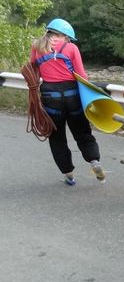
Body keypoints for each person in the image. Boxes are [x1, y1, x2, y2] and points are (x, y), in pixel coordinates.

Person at [30, 18, 105, 185]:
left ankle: (69, 175)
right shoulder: (71, 48)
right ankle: (94, 161)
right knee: (82, 132)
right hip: (73, 96)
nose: (69, 40)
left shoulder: (36, 47)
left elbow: (33, 72)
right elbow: (82, 76)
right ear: (64, 35)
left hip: (50, 97)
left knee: (56, 137)